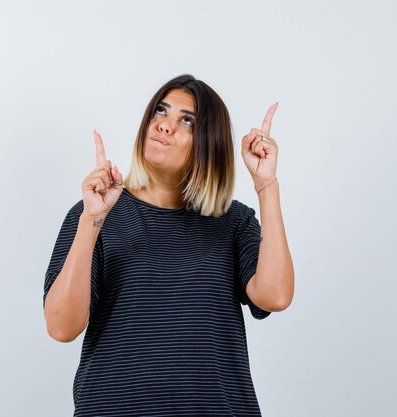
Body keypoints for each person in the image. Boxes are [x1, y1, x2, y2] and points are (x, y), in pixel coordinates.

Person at [43, 74, 294, 416]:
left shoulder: (232, 221)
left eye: (186, 120)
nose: (165, 125)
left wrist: (267, 184)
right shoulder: (94, 214)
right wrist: (92, 221)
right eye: (160, 112)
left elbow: (275, 296)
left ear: (209, 143)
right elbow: (61, 327)